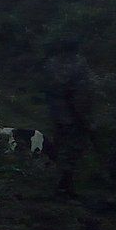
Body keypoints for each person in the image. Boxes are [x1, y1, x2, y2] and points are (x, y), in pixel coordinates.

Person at [43, 40, 93, 198]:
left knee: (59, 147)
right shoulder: (79, 65)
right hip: (73, 116)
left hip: (56, 114)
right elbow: (80, 94)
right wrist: (85, 118)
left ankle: (58, 182)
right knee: (73, 151)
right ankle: (64, 186)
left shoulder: (51, 64)